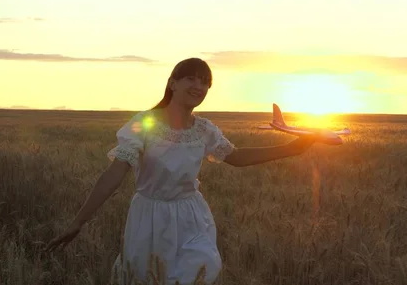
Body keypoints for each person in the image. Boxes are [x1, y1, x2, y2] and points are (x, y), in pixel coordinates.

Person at [45, 58, 318, 284]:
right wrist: (78, 221)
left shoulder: (204, 129)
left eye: (205, 83)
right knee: (146, 277)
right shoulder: (144, 124)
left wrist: (292, 148)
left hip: (192, 217)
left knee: (202, 268)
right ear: (172, 83)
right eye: (192, 78)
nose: (199, 86)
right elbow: (114, 175)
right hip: (149, 219)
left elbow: (235, 157)